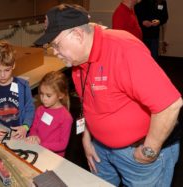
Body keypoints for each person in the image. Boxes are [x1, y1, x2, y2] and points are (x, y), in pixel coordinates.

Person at [35, 3, 182, 187]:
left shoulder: (123, 49)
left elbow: (170, 105)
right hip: (100, 148)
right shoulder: (77, 61)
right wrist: (87, 138)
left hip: (138, 153)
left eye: (56, 44)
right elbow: (87, 103)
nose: (54, 52)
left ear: (78, 35)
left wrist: (149, 151)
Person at [0, 40, 35, 142]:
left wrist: (25, 127)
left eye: (7, 70)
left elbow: (30, 110)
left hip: (20, 134)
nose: (2, 75)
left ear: (13, 65)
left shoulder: (23, 86)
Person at [25, 71, 73, 157]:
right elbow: (34, 128)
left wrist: (41, 144)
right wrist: (33, 136)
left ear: (60, 95)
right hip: (37, 150)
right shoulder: (40, 109)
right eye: (41, 94)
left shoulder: (66, 117)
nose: (43, 99)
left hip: (53, 157)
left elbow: (62, 144)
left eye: (48, 95)